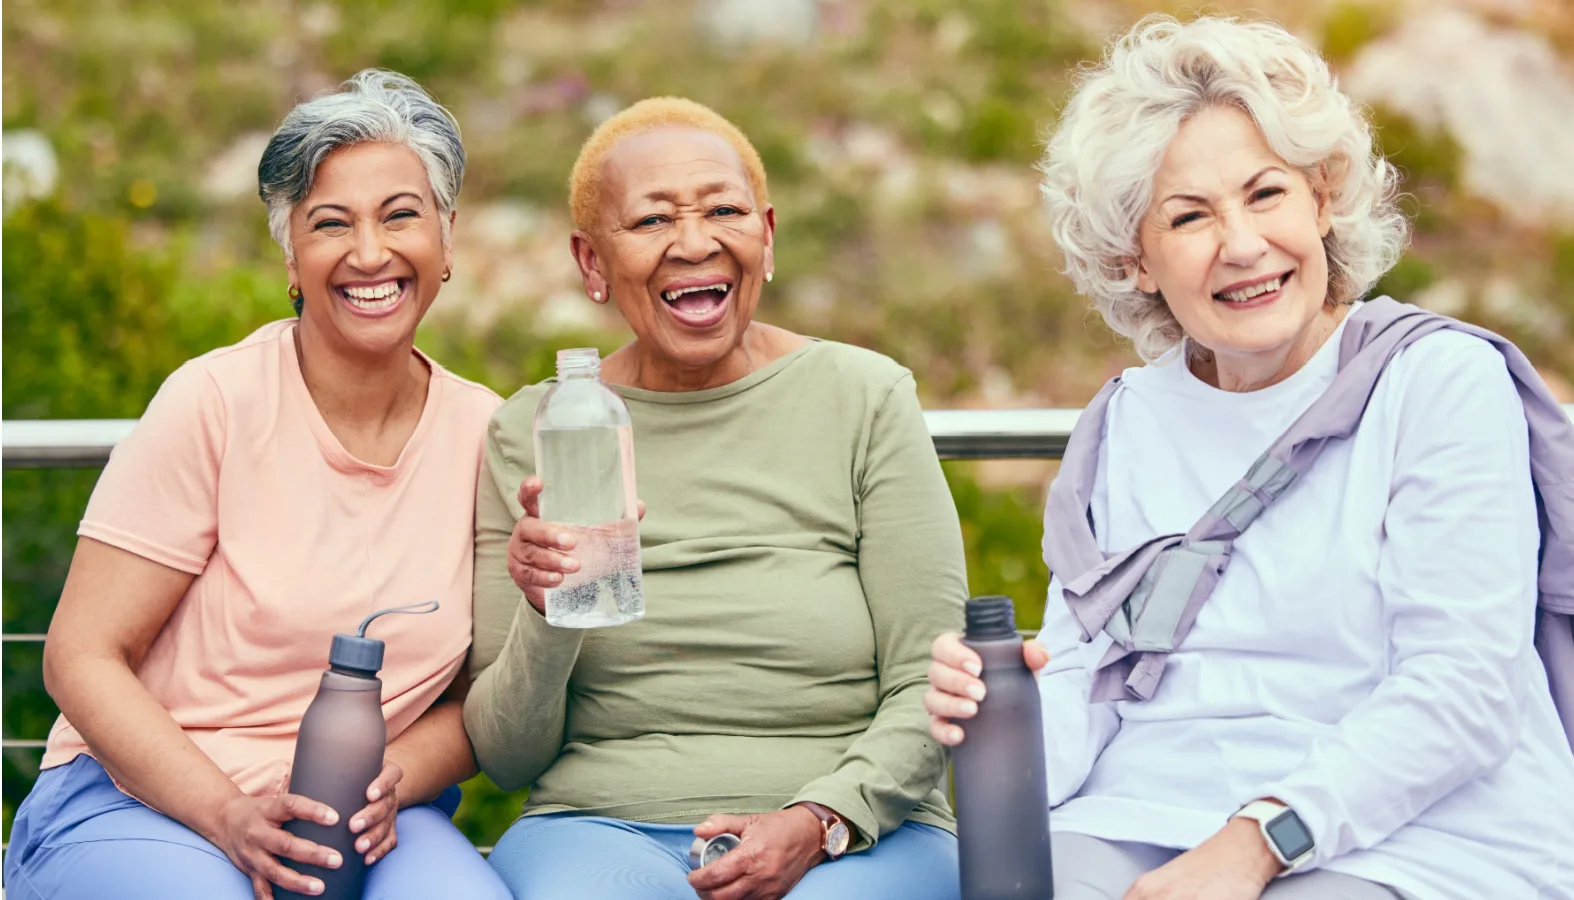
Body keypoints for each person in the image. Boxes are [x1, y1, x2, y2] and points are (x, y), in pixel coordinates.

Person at [923, 15, 1574, 900]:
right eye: (1189, 216)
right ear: (1134, 259)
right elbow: (1086, 683)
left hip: (1426, 834)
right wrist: (994, 717)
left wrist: (1254, 844)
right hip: (1148, 814)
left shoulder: (1437, 382)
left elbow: (1460, 691)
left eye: (1267, 194)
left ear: (1322, 199)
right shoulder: (1124, 422)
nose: (1242, 245)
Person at [4, 70, 512, 900]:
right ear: (291, 254)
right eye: (330, 224)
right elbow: (80, 656)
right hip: (149, 798)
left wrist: (397, 778)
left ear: (447, 240)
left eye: (401, 215)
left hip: (366, 813)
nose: (370, 253)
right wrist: (228, 814)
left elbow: (477, 699)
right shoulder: (214, 401)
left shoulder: (491, 434)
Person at [464, 97, 963, 900]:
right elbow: (506, 754)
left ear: (765, 236)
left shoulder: (865, 398)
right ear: (592, 263)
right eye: (652, 221)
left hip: (854, 831)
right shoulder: (535, 428)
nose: (694, 243)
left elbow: (930, 681)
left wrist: (819, 819)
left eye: (723, 211)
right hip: (600, 824)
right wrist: (548, 609)